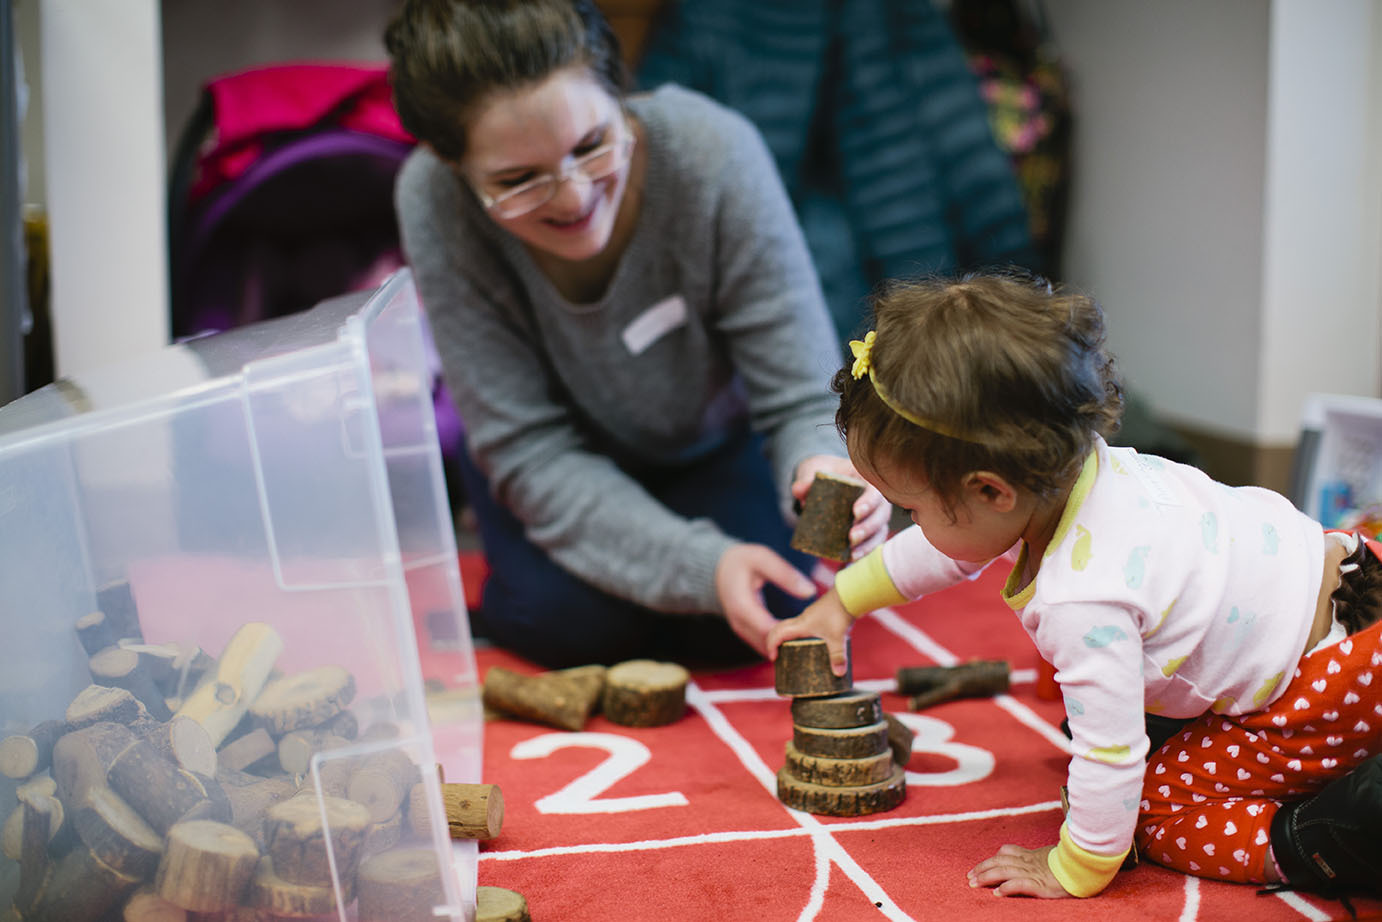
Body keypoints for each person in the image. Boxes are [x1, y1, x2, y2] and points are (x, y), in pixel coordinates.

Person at [765, 272, 1382, 901]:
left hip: (1330, 687)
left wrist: (1076, 865)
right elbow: (945, 548)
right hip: (1359, 570)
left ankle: (1333, 830)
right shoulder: (1072, 473)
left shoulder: (1082, 600)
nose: (911, 523)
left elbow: (1111, 752)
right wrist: (841, 604)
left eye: (910, 509)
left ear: (990, 491)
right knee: (1113, 712)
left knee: (1154, 810)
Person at [384, 0, 891, 669]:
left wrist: (822, 466)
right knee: (571, 629)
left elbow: (799, 395)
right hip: (551, 458)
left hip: (709, 444)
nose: (573, 198)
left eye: (592, 145)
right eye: (518, 180)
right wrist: (701, 566)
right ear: (451, 164)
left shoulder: (713, 153)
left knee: (760, 604)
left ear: (620, 97)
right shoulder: (431, 199)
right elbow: (527, 448)